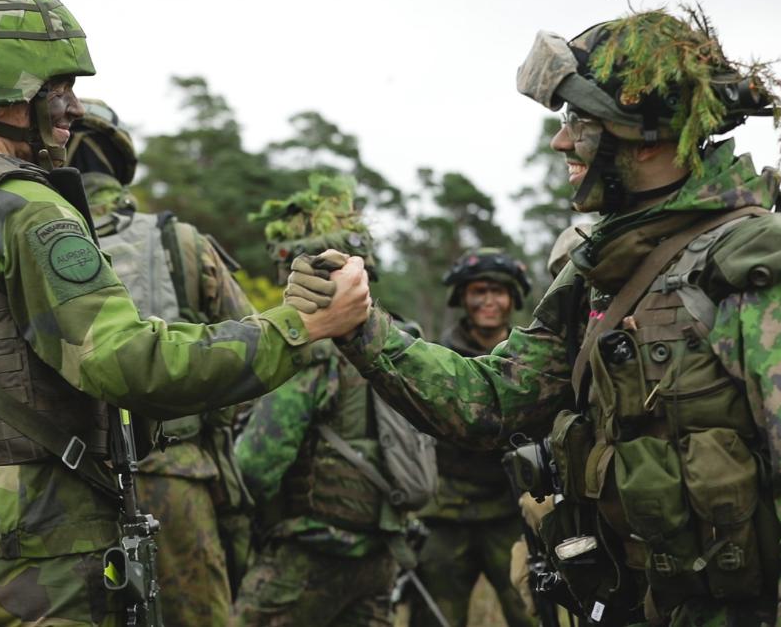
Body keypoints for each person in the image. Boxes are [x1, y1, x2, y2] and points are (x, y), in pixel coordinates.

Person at [292, 10, 781, 625]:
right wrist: (360, 323)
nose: (561, 140)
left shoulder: (756, 275)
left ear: (647, 135)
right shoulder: (601, 271)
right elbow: (491, 399)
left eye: (580, 120)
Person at [0, 0, 368, 627]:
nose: (72, 107)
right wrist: (302, 326)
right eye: (59, 86)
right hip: (52, 570)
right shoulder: (29, 209)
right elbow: (127, 364)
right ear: (7, 91)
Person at [66, 98, 256, 626]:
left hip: (61, 483)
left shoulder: (21, 244)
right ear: (120, 160)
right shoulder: (179, 242)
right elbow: (251, 357)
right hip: (176, 477)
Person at [232, 176, 401, 627]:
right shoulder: (398, 339)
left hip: (307, 556)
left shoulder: (311, 349)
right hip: (382, 554)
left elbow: (257, 464)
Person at [410, 248, 535, 627]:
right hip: (447, 512)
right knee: (434, 618)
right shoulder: (436, 357)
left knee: (532, 612)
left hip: (512, 512)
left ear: (513, 297)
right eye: (478, 291)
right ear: (462, 297)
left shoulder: (532, 357)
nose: (488, 301)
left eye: (498, 292)